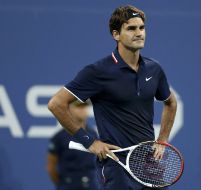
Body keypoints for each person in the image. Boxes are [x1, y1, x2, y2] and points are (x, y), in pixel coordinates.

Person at [48, 5, 177, 190]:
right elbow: (56, 104)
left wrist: (163, 140)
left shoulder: (154, 69)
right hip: (117, 166)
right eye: (131, 28)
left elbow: (171, 103)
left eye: (141, 27)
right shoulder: (98, 71)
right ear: (116, 35)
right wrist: (89, 142)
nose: (139, 33)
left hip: (149, 163)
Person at [46, 100, 100, 190]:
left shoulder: (94, 134)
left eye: (85, 106)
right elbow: (51, 166)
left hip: (91, 186)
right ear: (69, 109)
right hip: (68, 186)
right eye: (79, 106)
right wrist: (62, 184)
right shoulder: (60, 137)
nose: (83, 109)